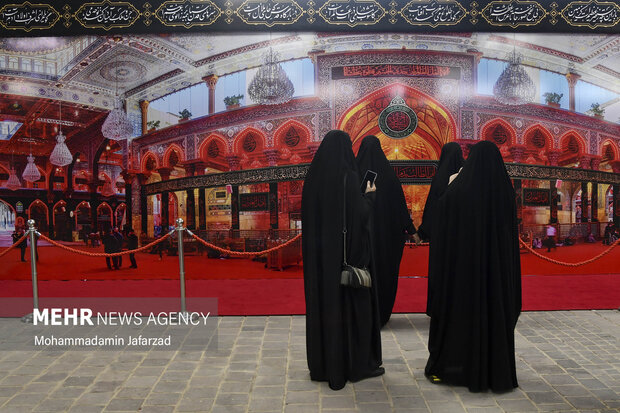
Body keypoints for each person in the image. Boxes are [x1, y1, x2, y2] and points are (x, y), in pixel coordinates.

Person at [425, 141, 521, 393]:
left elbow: (441, 227)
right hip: (496, 279)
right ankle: (494, 371)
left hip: (463, 277)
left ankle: (460, 368)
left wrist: (449, 187)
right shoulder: (505, 192)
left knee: (462, 320)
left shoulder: (458, 191)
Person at [302, 130, 383, 391]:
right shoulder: (348, 177)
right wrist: (370, 196)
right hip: (344, 265)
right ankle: (351, 364)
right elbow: (360, 218)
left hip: (320, 265)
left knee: (324, 309)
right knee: (349, 312)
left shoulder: (313, 179)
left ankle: (324, 365)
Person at [355, 135, 418, 327]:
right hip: (387, 240)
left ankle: (361, 315)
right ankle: (381, 313)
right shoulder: (390, 177)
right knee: (384, 273)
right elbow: (400, 208)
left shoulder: (354, 174)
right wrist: (412, 230)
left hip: (361, 238)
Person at [418, 142, 464, 242]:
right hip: (462, 231)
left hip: (442, 233)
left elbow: (432, 205)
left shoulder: (440, 178)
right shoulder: (466, 177)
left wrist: (423, 232)